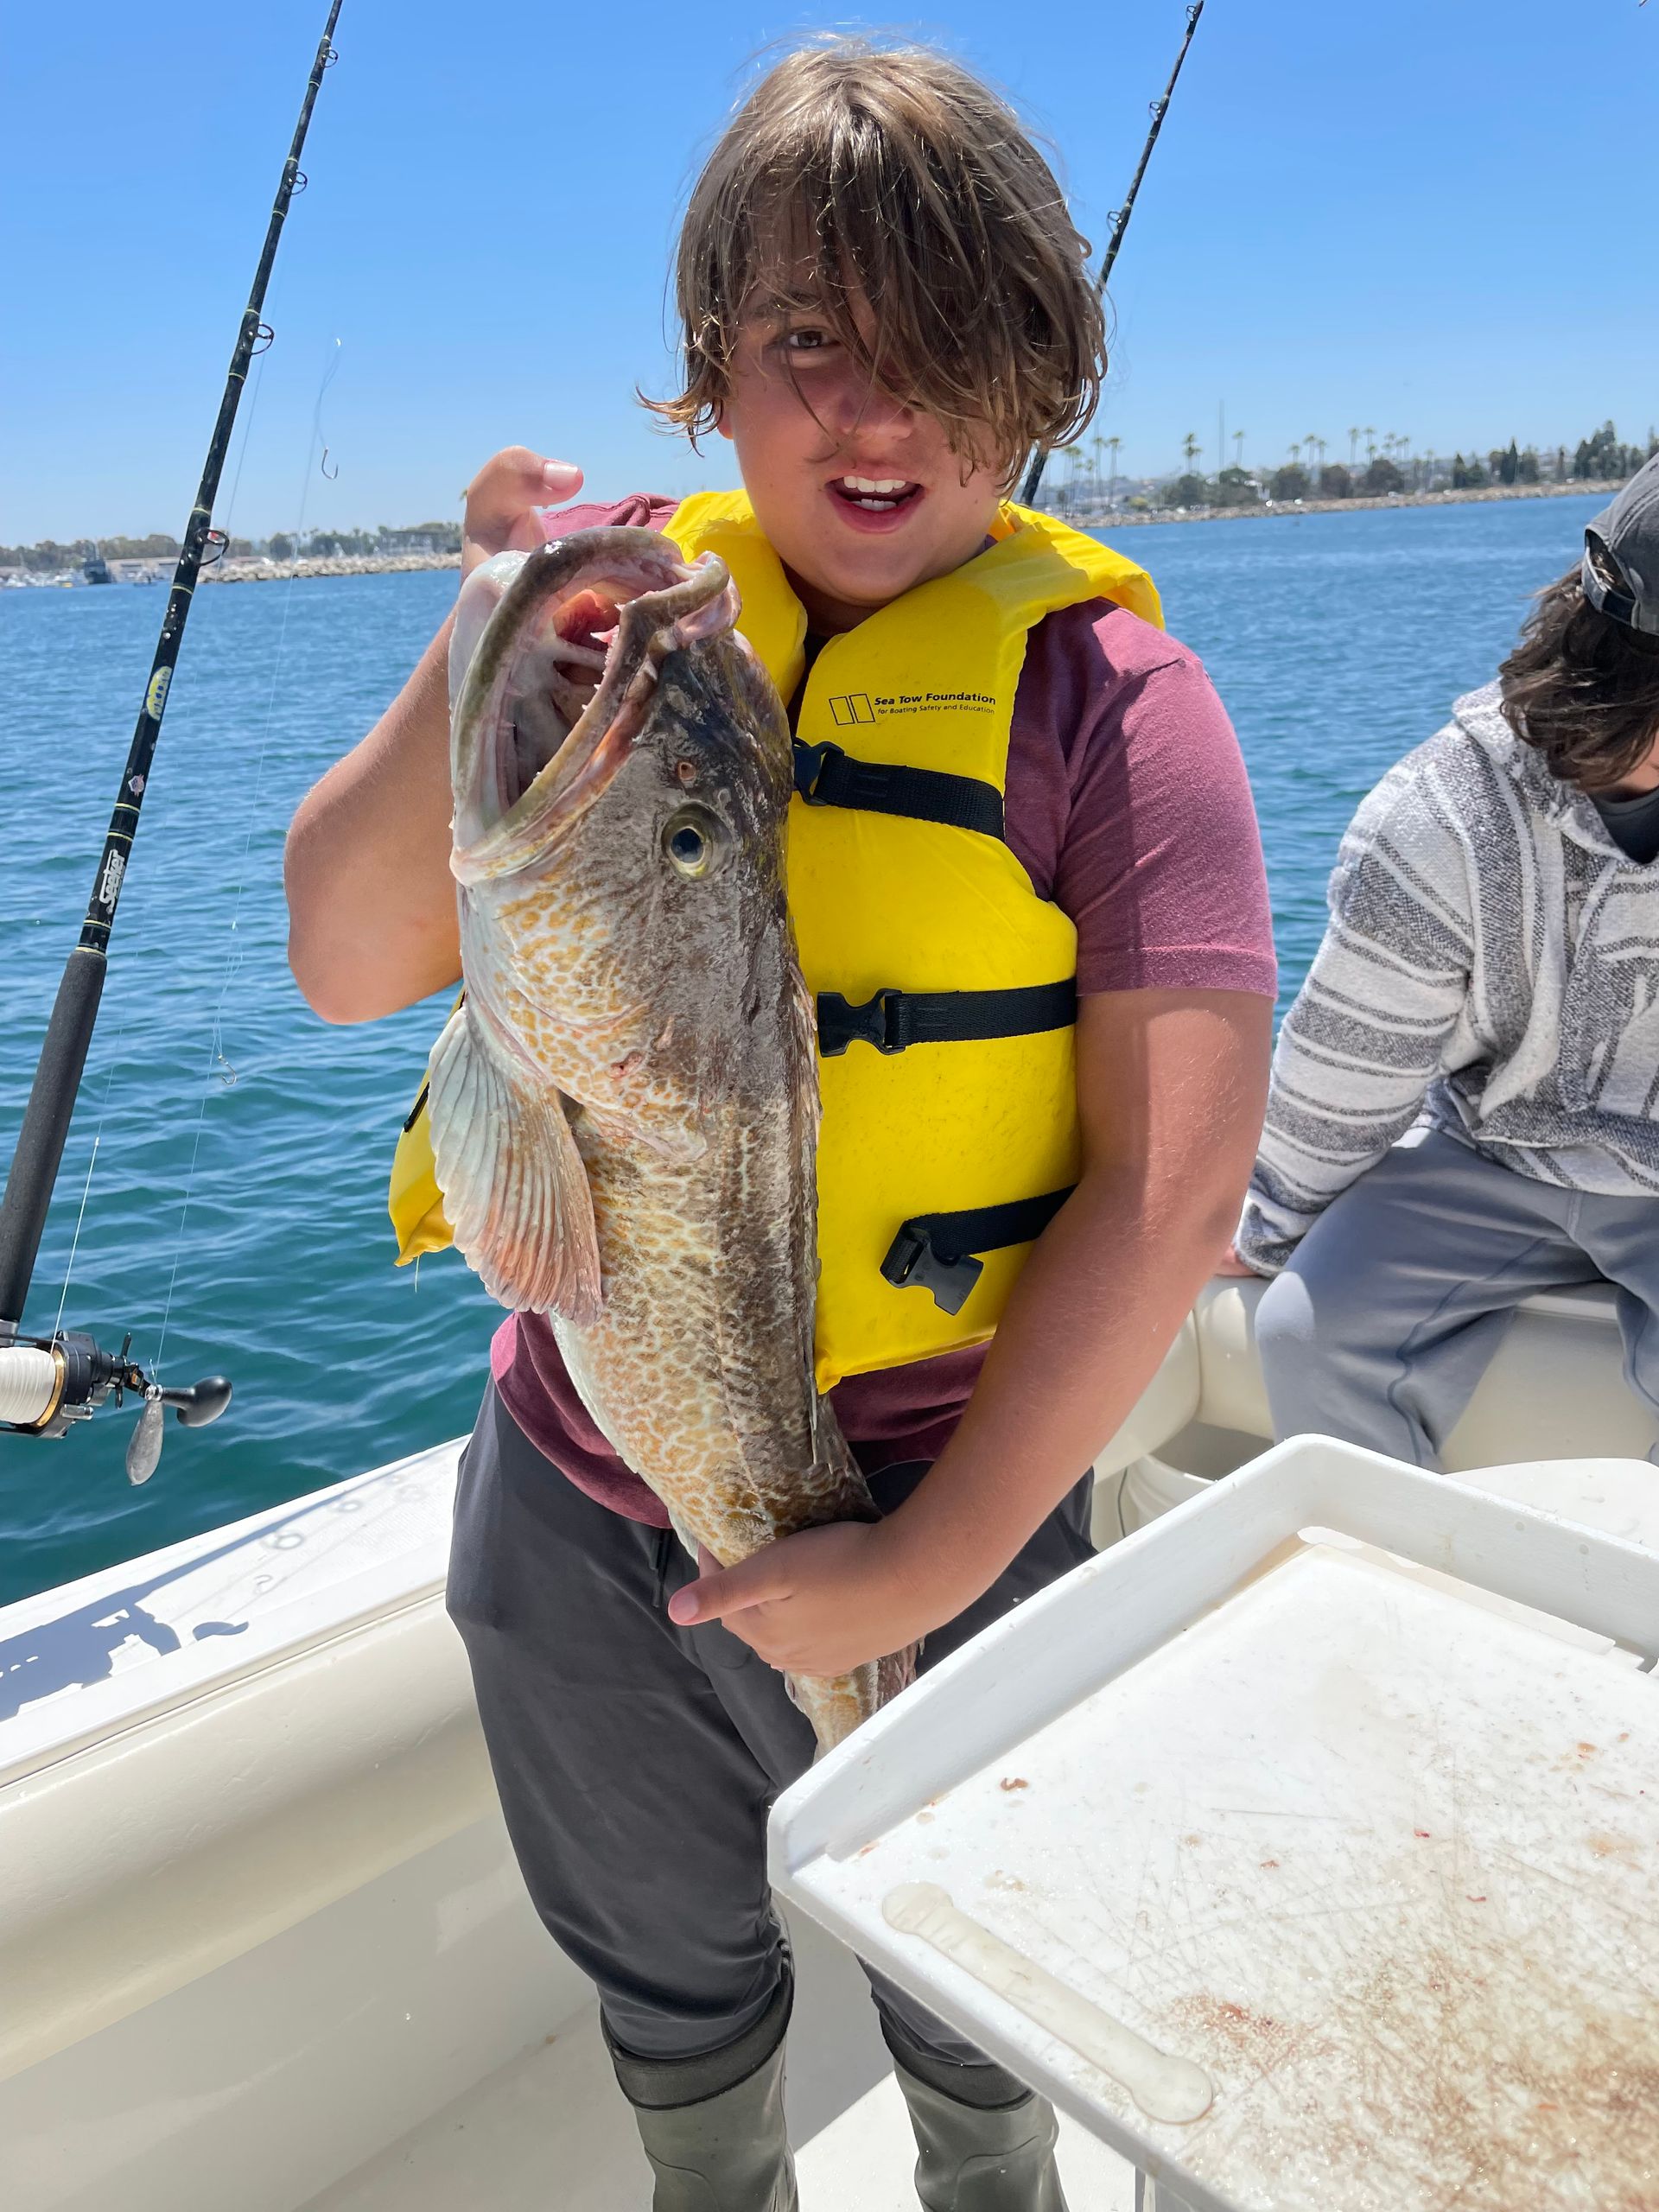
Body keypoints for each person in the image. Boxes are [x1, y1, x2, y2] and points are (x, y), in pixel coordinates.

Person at [285, 41, 1274, 2212]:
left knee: (977, 1977)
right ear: (711, 372)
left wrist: (920, 1559)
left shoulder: (1115, 710)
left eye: (948, 347)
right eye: (808, 338)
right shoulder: (602, 616)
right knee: (669, 1985)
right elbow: (352, 959)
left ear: (1040, 382)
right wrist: (478, 635)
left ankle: (985, 2172)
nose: (875, 407)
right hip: (575, 1488)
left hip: (962, 1482)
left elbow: (1183, 1175)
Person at [1227, 457, 1659, 1468]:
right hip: (1492, 1152)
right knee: (1305, 1333)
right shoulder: (1441, 813)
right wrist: (1270, 1218)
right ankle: (1405, 1605)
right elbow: (1350, 1060)